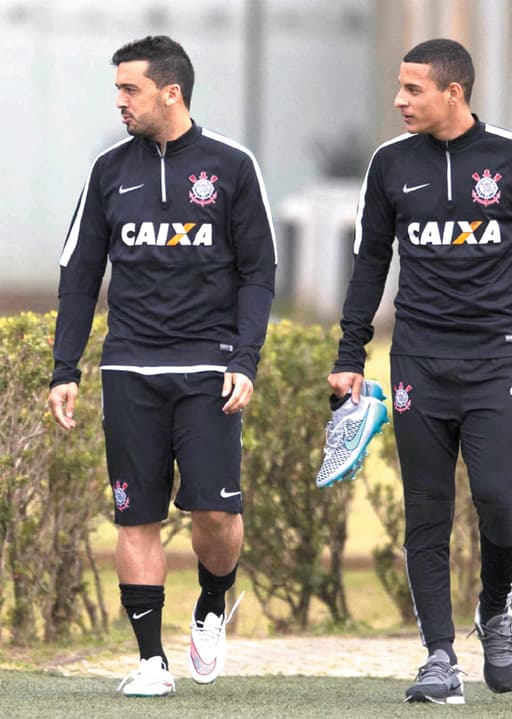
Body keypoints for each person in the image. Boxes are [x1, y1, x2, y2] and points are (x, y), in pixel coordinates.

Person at [327, 38, 512, 705]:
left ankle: (495, 612)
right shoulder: (389, 164)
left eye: (413, 89)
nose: (399, 100)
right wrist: (350, 356)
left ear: (453, 93)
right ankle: (439, 656)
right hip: (418, 363)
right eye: (399, 87)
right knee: (426, 514)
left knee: (500, 504)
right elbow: (369, 264)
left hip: (498, 360)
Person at [47, 35, 277, 697]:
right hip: (129, 371)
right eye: (117, 88)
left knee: (215, 517)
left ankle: (212, 599)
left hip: (209, 371)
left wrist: (246, 358)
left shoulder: (231, 167)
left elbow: (260, 272)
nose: (119, 100)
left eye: (130, 89)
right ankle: (151, 660)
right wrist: (66, 368)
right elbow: (78, 275)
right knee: (134, 517)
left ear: (170, 91)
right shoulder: (107, 171)